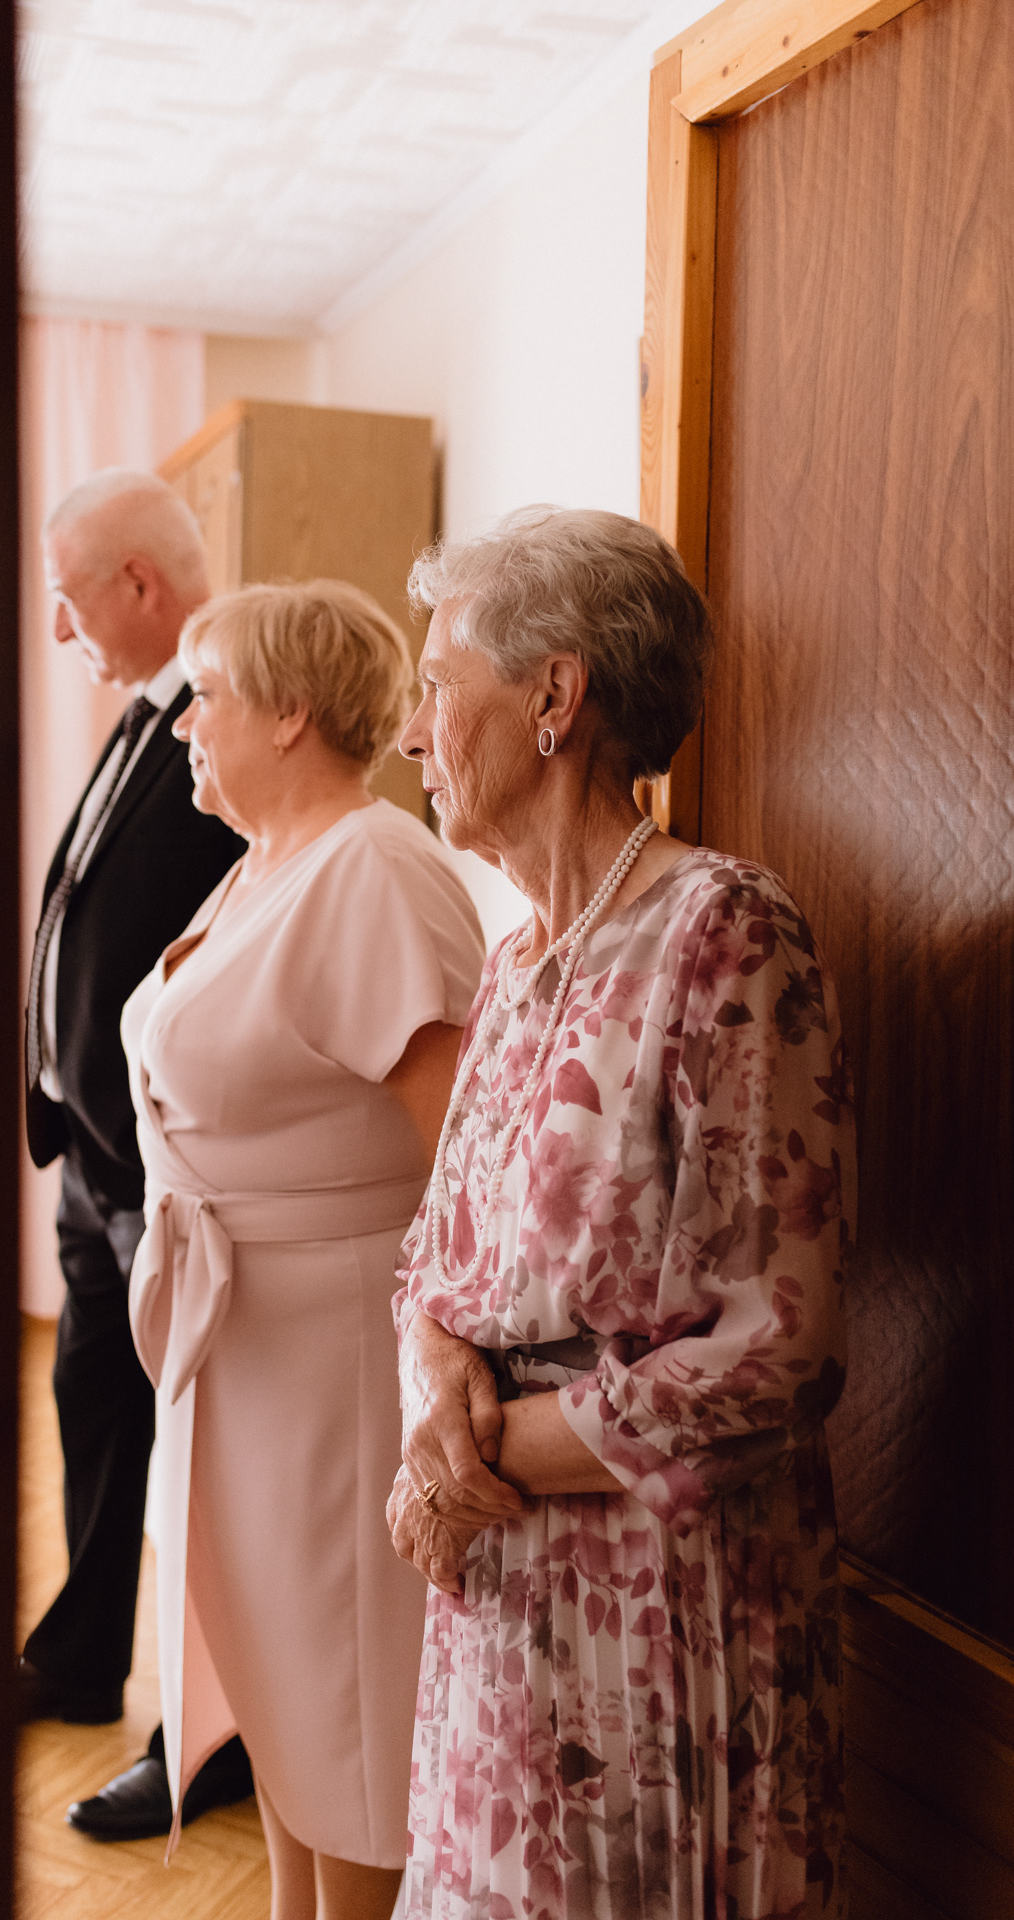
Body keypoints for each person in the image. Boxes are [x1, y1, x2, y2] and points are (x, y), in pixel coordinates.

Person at [386, 508, 852, 1920]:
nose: (408, 734)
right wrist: (435, 1382)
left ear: (554, 695)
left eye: (435, 685)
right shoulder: (515, 958)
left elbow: (779, 1349)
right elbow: (433, 1260)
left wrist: (475, 1457)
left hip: (658, 1616)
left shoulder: (724, 930)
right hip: (499, 1602)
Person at [121, 579, 487, 1919]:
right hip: (244, 1340)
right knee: (281, 1683)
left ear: (289, 714)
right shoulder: (261, 864)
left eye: (206, 697)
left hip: (337, 1354)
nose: (183, 727)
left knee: (347, 1693)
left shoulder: (373, 868)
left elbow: (464, 1158)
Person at [21, 468, 253, 1839]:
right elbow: (83, 912)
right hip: (91, 1153)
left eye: (68, 597)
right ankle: (78, 1658)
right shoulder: (143, 712)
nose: (60, 627)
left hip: (165, 1167)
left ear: (138, 585)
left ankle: (205, 1738)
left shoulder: (232, 721)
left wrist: (139, 1137)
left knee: (196, 1461)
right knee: (95, 1406)